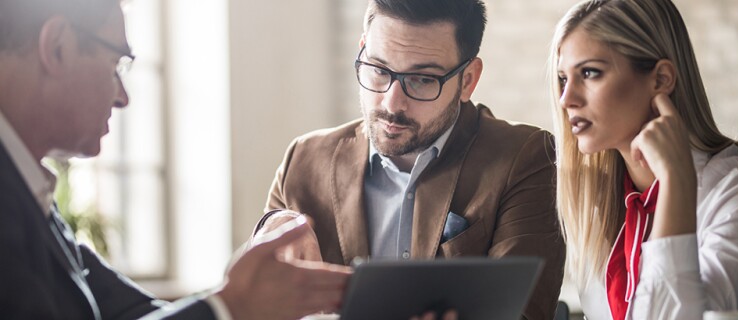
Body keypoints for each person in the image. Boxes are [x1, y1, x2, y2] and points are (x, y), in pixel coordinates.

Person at [0, 0, 356, 319]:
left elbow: (136, 313)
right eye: (115, 65)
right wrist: (230, 308)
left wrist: (247, 303)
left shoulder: (29, 190)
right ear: (58, 46)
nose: (122, 97)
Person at [255, 0, 566, 319]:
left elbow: (523, 312)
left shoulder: (527, 158)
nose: (392, 102)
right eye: (378, 70)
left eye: (422, 80)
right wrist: (270, 232)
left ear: (468, 80)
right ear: (362, 51)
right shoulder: (304, 159)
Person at [548, 0, 738, 319]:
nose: (567, 99)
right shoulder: (597, 201)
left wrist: (676, 182)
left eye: (590, 73)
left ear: (660, 79)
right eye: (563, 78)